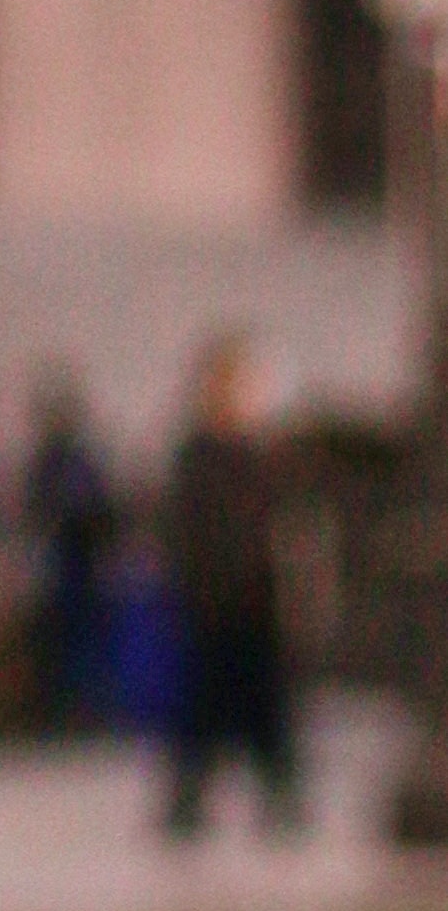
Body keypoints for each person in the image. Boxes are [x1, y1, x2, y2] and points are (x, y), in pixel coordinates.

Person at [159, 331, 302, 836]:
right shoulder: (197, 456)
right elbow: (183, 530)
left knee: (265, 709)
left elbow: (274, 526)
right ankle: (188, 800)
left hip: (255, 603)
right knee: (203, 708)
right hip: (212, 606)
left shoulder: (257, 456)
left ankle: (279, 797)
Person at [17, 369, 117, 729]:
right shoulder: (49, 464)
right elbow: (35, 512)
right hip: (58, 564)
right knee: (60, 640)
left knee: (83, 639)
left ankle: (84, 706)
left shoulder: (77, 462)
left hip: (81, 561)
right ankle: (62, 706)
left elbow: (102, 510)